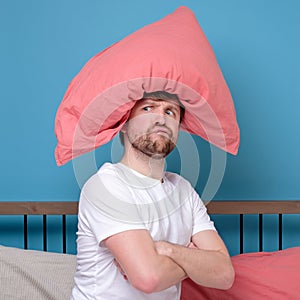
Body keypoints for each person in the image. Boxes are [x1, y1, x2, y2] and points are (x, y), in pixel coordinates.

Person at [71, 91, 235, 300]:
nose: (161, 119)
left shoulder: (183, 190)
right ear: (124, 123)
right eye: (148, 108)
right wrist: (194, 258)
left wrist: (168, 250)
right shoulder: (106, 184)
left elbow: (224, 274)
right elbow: (149, 278)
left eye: (170, 112)